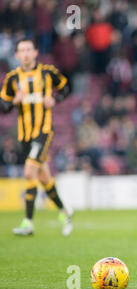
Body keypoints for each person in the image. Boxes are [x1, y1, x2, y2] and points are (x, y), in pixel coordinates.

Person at [0, 39, 73, 236]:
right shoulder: (12, 78)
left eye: (28, 50)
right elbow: (3, 106)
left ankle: (28, 222)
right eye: (21, 50)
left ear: (35, 52)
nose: (25, 54)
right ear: (16, 55)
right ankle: (65, 211)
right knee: (43, 177)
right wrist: (13, 102)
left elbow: (66, 87)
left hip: (44, 131)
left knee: (29, 170)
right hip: (24, 135)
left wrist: (55, 99)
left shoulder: (48, 72)